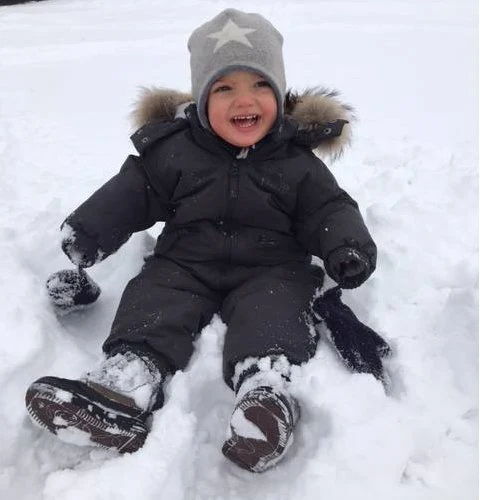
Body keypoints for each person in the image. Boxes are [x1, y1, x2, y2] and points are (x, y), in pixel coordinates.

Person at [25, 8, 377, 473]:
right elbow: (135, 191)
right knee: (154, 299)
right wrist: (91, 230)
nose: (243, 100)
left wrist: (345, 247)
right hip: (184, 262)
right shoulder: (175, 151)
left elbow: (328, 208)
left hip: (271, 267)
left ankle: (264, 393)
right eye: (224, 88)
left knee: (273, 310)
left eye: (259, 85)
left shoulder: (297, 161)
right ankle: (128, 377)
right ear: (202, 100)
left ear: (280, 94)